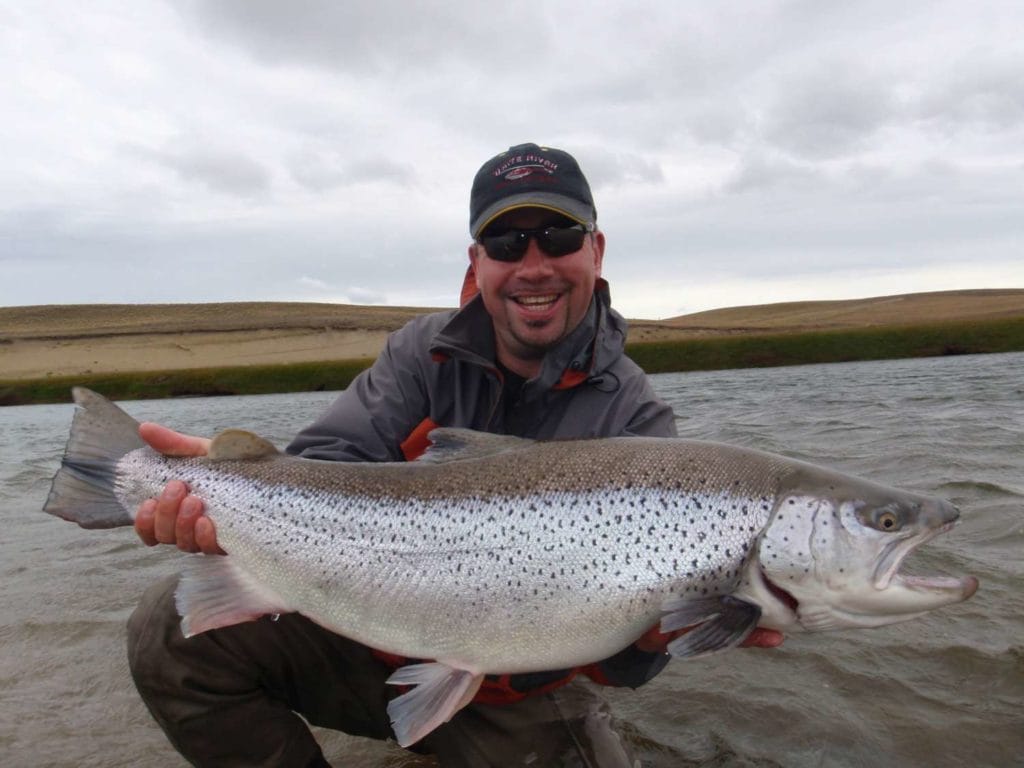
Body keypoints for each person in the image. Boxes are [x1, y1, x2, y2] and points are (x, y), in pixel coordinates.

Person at [128, 142, 782, 767]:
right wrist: (234, 490)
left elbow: (626, 668)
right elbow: (324, 461)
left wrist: (650, 639)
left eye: (558, 236)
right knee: (169, 631)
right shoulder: (421, 354)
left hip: (516, 686)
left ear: (596, 250)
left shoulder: (634, 418)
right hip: (362, 630)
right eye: (506, 242)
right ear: (477, 262)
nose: (534, 264)